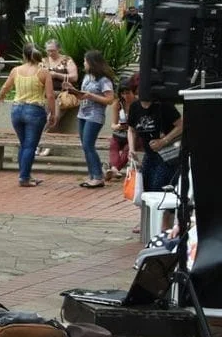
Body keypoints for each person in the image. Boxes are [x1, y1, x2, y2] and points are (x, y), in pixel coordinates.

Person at [125, 73, 183, 232]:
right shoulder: (135, 107)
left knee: (161, 186)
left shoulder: (163, 105)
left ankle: (165, 222)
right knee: (146, 187)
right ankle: (147, 219)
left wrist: (164, 141)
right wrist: (132, 148)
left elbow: (181, 125)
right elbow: (131, 129)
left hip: (168, 154)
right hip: (149, 153)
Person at [0, 45, 58, 187]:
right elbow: (50, 96)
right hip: (35, 110)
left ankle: (25, 175)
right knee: (30, 146)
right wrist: (53, 113)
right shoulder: (44, 73)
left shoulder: (16, 70)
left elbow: (6, 87)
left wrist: (1, 96)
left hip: (17, 110)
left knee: (24, 144)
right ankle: (24, 178)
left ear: (24, 55)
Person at [70, 50, 115, 189]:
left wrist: (91, 96)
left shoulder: (104, 80)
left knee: (89, 145)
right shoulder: (87, 77)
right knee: (85, 145)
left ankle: (98, 176)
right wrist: (73, 91)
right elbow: (83, 95)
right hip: (83, 114)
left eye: (85, 61)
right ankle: (92, 175)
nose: (84, 63)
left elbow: (109, 99)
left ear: (92, 62)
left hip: (95, 115)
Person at [106, 83, 131, 182]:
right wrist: (119, 126)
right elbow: (113, 125)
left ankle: (113, 169)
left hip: (134, 135)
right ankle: (115, 170)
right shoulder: (117, 104)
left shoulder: (137, 103)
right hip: (120, 133)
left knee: (127, 148)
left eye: (128, 93)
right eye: (123, 94)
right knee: (113, 145)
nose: (125, 96)